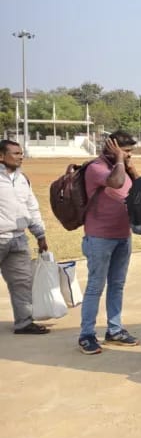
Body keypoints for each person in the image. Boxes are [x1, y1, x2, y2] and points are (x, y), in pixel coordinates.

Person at [78, 131, 139, 354]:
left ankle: (114, 329)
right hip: (99, 238)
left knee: (117, 285)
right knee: (96, 286)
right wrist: (120, 160)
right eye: (126, 151)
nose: (129, 155)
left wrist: (129, 166)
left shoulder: (123, 167)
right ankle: (86, 334)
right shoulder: (96, 168)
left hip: (123, 236)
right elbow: (116, 182)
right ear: (112, 147)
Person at [0, 140, 50, 334]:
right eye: (15, 153)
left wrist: (40, 234)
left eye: (21, 153)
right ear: (1, 156)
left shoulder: (22, 179)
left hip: (19, 239)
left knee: (22, 282)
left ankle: (24, 322)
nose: (20, 156)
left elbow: (31, 208)